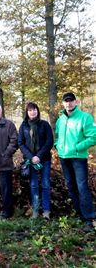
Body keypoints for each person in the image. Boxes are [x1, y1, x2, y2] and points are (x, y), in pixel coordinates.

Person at [55, 92, 96, 231]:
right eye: (66, 101)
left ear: (75, 102)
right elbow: (58, 136)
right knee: (71, 186)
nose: (69, 103)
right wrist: (57, 145)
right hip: (64, 157)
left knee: (82, 187)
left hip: (78, 157)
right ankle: (80, 214)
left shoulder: (85, 117)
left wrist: (78, 147)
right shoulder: (60, 119)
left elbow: (93, 137)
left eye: (71, 100)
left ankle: (89, 218)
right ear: (63, 103)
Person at [18, 102, 53, 219]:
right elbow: (21, 143)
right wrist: (31, 157)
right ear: (27, 113)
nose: (32, 112)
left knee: (46, 184)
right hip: (30, 160)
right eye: (30, 110)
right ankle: (36, 210)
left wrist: (39, 156)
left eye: (34, 110)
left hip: (44, 159)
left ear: (37, 111)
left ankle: (46, 211)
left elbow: (49, 142)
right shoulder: (23, 126)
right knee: (33, 185)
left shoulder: (44, 124)